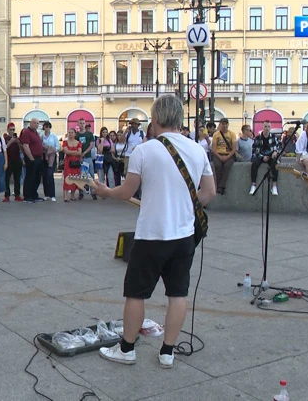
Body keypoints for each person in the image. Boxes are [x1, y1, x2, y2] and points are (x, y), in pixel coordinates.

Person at [91, 94, 216, 369]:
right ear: (180, 119)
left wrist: (103, 190)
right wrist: (184, 205)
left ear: (155, 119)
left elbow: (126, 192)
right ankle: (168, 352)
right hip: (184, 236)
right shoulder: (197, 150)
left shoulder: (144, 151)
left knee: (136, 293)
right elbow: (209, 193)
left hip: (151, 236)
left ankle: (127, 349)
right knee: (178, 294)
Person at [248, 120, 281, 196]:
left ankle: (274, 186)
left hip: (271, 156)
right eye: (265, 126)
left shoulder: (274, 137)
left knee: (275, 165)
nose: (267, 128)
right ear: (263, 127)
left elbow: (279, 146)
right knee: (254, 164)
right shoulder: (258, 137)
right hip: (261, 156)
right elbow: (254, 150)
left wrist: (276, 152)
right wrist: (262, 157)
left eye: (269, 126)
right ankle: (253, 185)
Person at [20, 118, 44, 203]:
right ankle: (27, 196)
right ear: (30, 123)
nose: (36, 125)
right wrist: (31, 159)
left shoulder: (35, 132)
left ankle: (34, 195)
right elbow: (26, 146)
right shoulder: (26, 132)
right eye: (35, 123)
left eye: (38, 123)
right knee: (30, 177)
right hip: (32, 158)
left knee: (36, 178)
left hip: (38, 158)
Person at [210, 118, 237, 195]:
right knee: (217, 165)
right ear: (220, 125)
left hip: (228, 154)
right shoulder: (216, 135)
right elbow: (213, 149)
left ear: (228, 125)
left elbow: (234, 148)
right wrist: (219, 156)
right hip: (218, 154)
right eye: (223, 124)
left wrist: (227, 157)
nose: (224, 126)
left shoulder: (232, 134)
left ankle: (221, 187)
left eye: (226, 124)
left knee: (227, 166)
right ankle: (219, 186)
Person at [62, 128, 83, 202]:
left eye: (72, 132)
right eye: (69, 132)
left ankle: (72, 196)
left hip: (76, 163)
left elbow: (80, 153)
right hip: (68, 162)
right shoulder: (65, 142)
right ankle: (65, 197)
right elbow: (66, 152)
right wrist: (75, 151)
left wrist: (71, 152)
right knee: (67, 178)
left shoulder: (79, 142)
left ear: (75, 134)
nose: (70, 134)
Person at [41, 121, 59, 201]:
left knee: (50, 175)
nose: (47, 128)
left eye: (48, 126)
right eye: (46, 126)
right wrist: (45, 148)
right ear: (44, 127)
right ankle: (46, 194)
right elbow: (40, 146)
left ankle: (52, 195)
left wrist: (52, 149)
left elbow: (58, 147)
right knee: (44, 176)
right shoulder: (41, 136)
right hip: (44, 157)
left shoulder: (54, 136)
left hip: (52, 157)